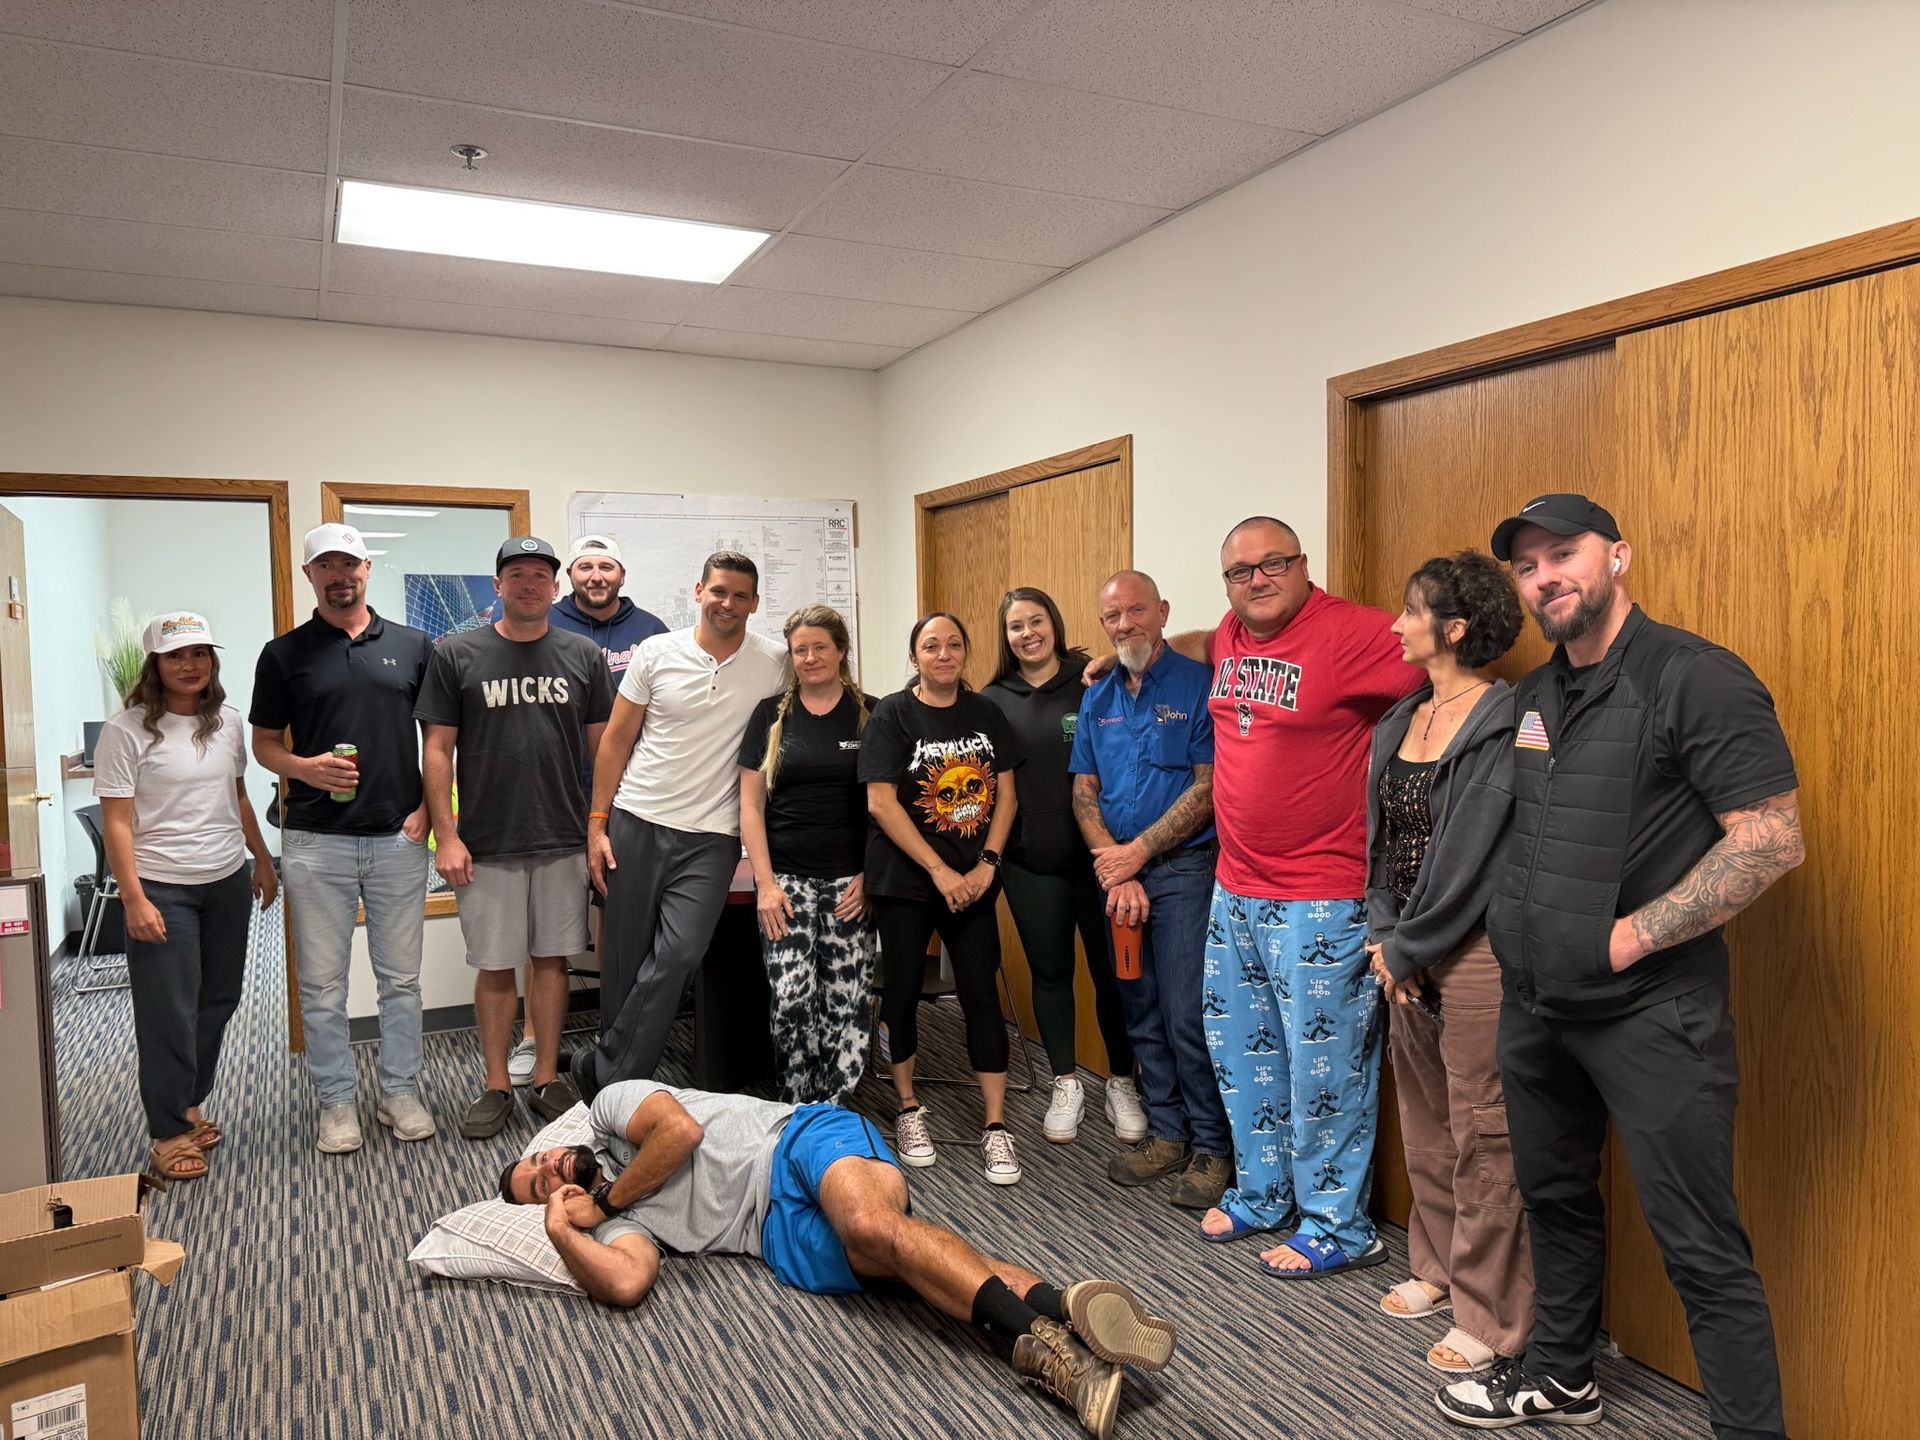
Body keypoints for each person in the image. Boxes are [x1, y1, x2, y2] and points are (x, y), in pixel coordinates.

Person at [1437, 496, 1802, 1435]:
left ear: (1618, 558)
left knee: (1701, 1249)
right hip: (1538, 1005)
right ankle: (1563, 1376)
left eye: (1565, 554)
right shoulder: (1536, 698)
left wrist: (1632, 935)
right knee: (1554, 1200)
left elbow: (1770, 840)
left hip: (1651, 1013)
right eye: (1527, 566)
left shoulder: (1698, 678)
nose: (1546, 576)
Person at [500, 1081, 1177, 1440]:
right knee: (905, 1268)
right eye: (538, 1184)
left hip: (796, 1138)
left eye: (539, 1157)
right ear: (550, 1202)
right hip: (773, 1236)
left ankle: (1041, 1348)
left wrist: (609, 1198)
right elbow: (625, 1283)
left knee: (869, 1227)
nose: (549, 1166)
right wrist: (568, 1233)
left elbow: (680, 1131)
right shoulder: (625, 1226)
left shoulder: (613, 1109)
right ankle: (1066, 1314)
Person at [1114, 517, 1417, 1272]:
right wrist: (1126, 652)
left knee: (1327, 1069)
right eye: (1239, 571)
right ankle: (1265, 1192)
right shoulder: (1228, 634)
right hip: (1236, 887)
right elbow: (1198, 643)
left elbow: (1444, 665)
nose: (1256, 578)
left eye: (1271, 563)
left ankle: (1339, 1226)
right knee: (1244, 1060)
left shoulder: (1351, 633)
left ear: (1302, 564)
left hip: (1322, 891)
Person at [1362, 551, 1530, 1377]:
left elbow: (1472, 859)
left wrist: (1409, 948)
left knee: (1484, 1133)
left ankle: (1491, 1313)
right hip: (1403, 950)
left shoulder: (1504, 722)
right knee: (1425, 1123)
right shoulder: (1401, 719)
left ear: (1454, 629)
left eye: (1410, 610)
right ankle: (1432, 1266)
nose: (1396, 624)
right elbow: (1384, 845)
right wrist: (1386, 937)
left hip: (1474, 955)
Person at [415, 537, 613, 1140]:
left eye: (539, 575)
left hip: (562, 836)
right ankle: (497, 1083)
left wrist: (600, 826)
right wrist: (445, 835)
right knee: (496, 965)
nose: (529, 584)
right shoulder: (456, 653)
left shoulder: (582, 655)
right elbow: (437, 749)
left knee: (552, 959)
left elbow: (604, 749)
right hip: (487, 837)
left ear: (556, 588)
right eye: (516, 574)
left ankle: (547, 1076)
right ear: (498, 586)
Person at [251, 522, 436, 1154]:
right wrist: (304, 768)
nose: (340, 575)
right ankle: (336, 1103)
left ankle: (399, 1091)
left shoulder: (414, 646)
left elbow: (440, 743)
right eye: (326, 565)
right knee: (323, 986)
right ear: (310, 576)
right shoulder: (283, 655)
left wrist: (432, 816)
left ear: (367, 570)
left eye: (350, 563)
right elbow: (264, 745)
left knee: (401, 980)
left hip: (398, 837)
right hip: (313, 842)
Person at [577, 551, 787, 1099]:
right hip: (637, 820)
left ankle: (604, 1074)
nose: (728, 603)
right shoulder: (656, 652)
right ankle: (621, 1092)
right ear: (698, 591)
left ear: (755, 603)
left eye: (741, 595)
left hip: (714, 838)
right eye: (719, 591)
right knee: (622, 966)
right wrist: (598, 826)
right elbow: (616, 742)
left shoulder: (776, 662)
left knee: (679, 956)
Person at [1069, 570, 1232, 1211]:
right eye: (1112, 617)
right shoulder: (1098, 695)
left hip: (1184, 875)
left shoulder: (1198, 686)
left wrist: (1137, 855)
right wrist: (1115, 863)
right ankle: (1167, 1134)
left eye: (1136, 611)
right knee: (1139, 1010)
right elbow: (1084, 789)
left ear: (1162, 611)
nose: (1125, 625)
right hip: (1118, 881)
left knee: (1189, 1015)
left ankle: (1212, 1147)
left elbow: (1208, 786)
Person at [95, 613, 276, 1180]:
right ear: (155, 665)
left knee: (219, 998)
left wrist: (262, 858)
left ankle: (191, 1103)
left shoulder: (226, 722)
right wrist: (133, 898)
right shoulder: (126, 731)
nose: (191, 665)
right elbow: (117, 823)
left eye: (200, 653)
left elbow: (237, 794)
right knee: (167, 1012)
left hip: (224, 879)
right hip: (161, 885)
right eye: (177, 656)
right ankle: (168, 1129)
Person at [860, 613, 1025, 1184]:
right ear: (915, 657)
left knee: (980, 991)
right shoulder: (893, 713)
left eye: (955, 643)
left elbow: (1006, 795)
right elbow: (881, 802)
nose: (944, 653)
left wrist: (987, 863)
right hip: (906, 879)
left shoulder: (985, 713)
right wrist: (939, 870)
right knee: (903, 987)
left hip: (975, 879)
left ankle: (996, 1125)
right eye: (932, 645)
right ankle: (907, 1107)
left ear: (966, 653)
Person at [505, 533, 666, 1088]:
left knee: (619, 918)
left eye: (607, 566)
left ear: (621, 573)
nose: (596, 576)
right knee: (540, 928)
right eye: (585, 567)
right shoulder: (548, 625)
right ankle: (530, 1036)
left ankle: (617, 1036)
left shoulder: (651, 632)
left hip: (630, 797)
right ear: (567, 577)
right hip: (551, 796)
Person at [983, 587, 1141, 1145]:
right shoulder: (991, 699)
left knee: (1114, 977)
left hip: (1104, 861)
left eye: (1036, 621)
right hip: (1031, 863)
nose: (1027, 633)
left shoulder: (1093, 679)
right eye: (1015, 626)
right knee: (1051, 976)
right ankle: (1066, 1081)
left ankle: (1122, 1082)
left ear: (1054, 622)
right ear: (1004, 637)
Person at [737, 605, 876, 1106]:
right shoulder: (770, 715)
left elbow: (884, 807)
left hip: (850, 884)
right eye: (801, 649)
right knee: (792, 1000)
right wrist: (765, 884)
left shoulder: (871, 714)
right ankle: (797, 1105)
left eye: (821, 647)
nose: (811, 657)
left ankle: (834, 1106)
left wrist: (871, 875)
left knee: (845, 1001)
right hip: (786, 884)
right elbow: (750, 806)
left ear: (841, 650)